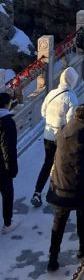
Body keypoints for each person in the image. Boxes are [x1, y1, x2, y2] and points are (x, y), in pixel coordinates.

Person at [46, 104, 84, 270]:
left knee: (58, 224)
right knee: (83, 219)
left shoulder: (63, 130)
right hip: (82, 187)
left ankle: (53, 258)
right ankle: (83, 250)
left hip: (61, 186)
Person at [31, 67, 79, 208]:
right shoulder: (71, 97)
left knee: (47, 163)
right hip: (62, 137)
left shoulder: (52, 93)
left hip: (48, 135)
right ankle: (59, 192)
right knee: (62, 164)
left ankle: (37, 192)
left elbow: (43, 112)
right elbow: (71, 121)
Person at [0, 92, 18, 234]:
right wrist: (11, 168)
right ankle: (7, 223)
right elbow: (8, 147)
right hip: (2, 166)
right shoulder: (7, 122)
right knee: (7, 193)